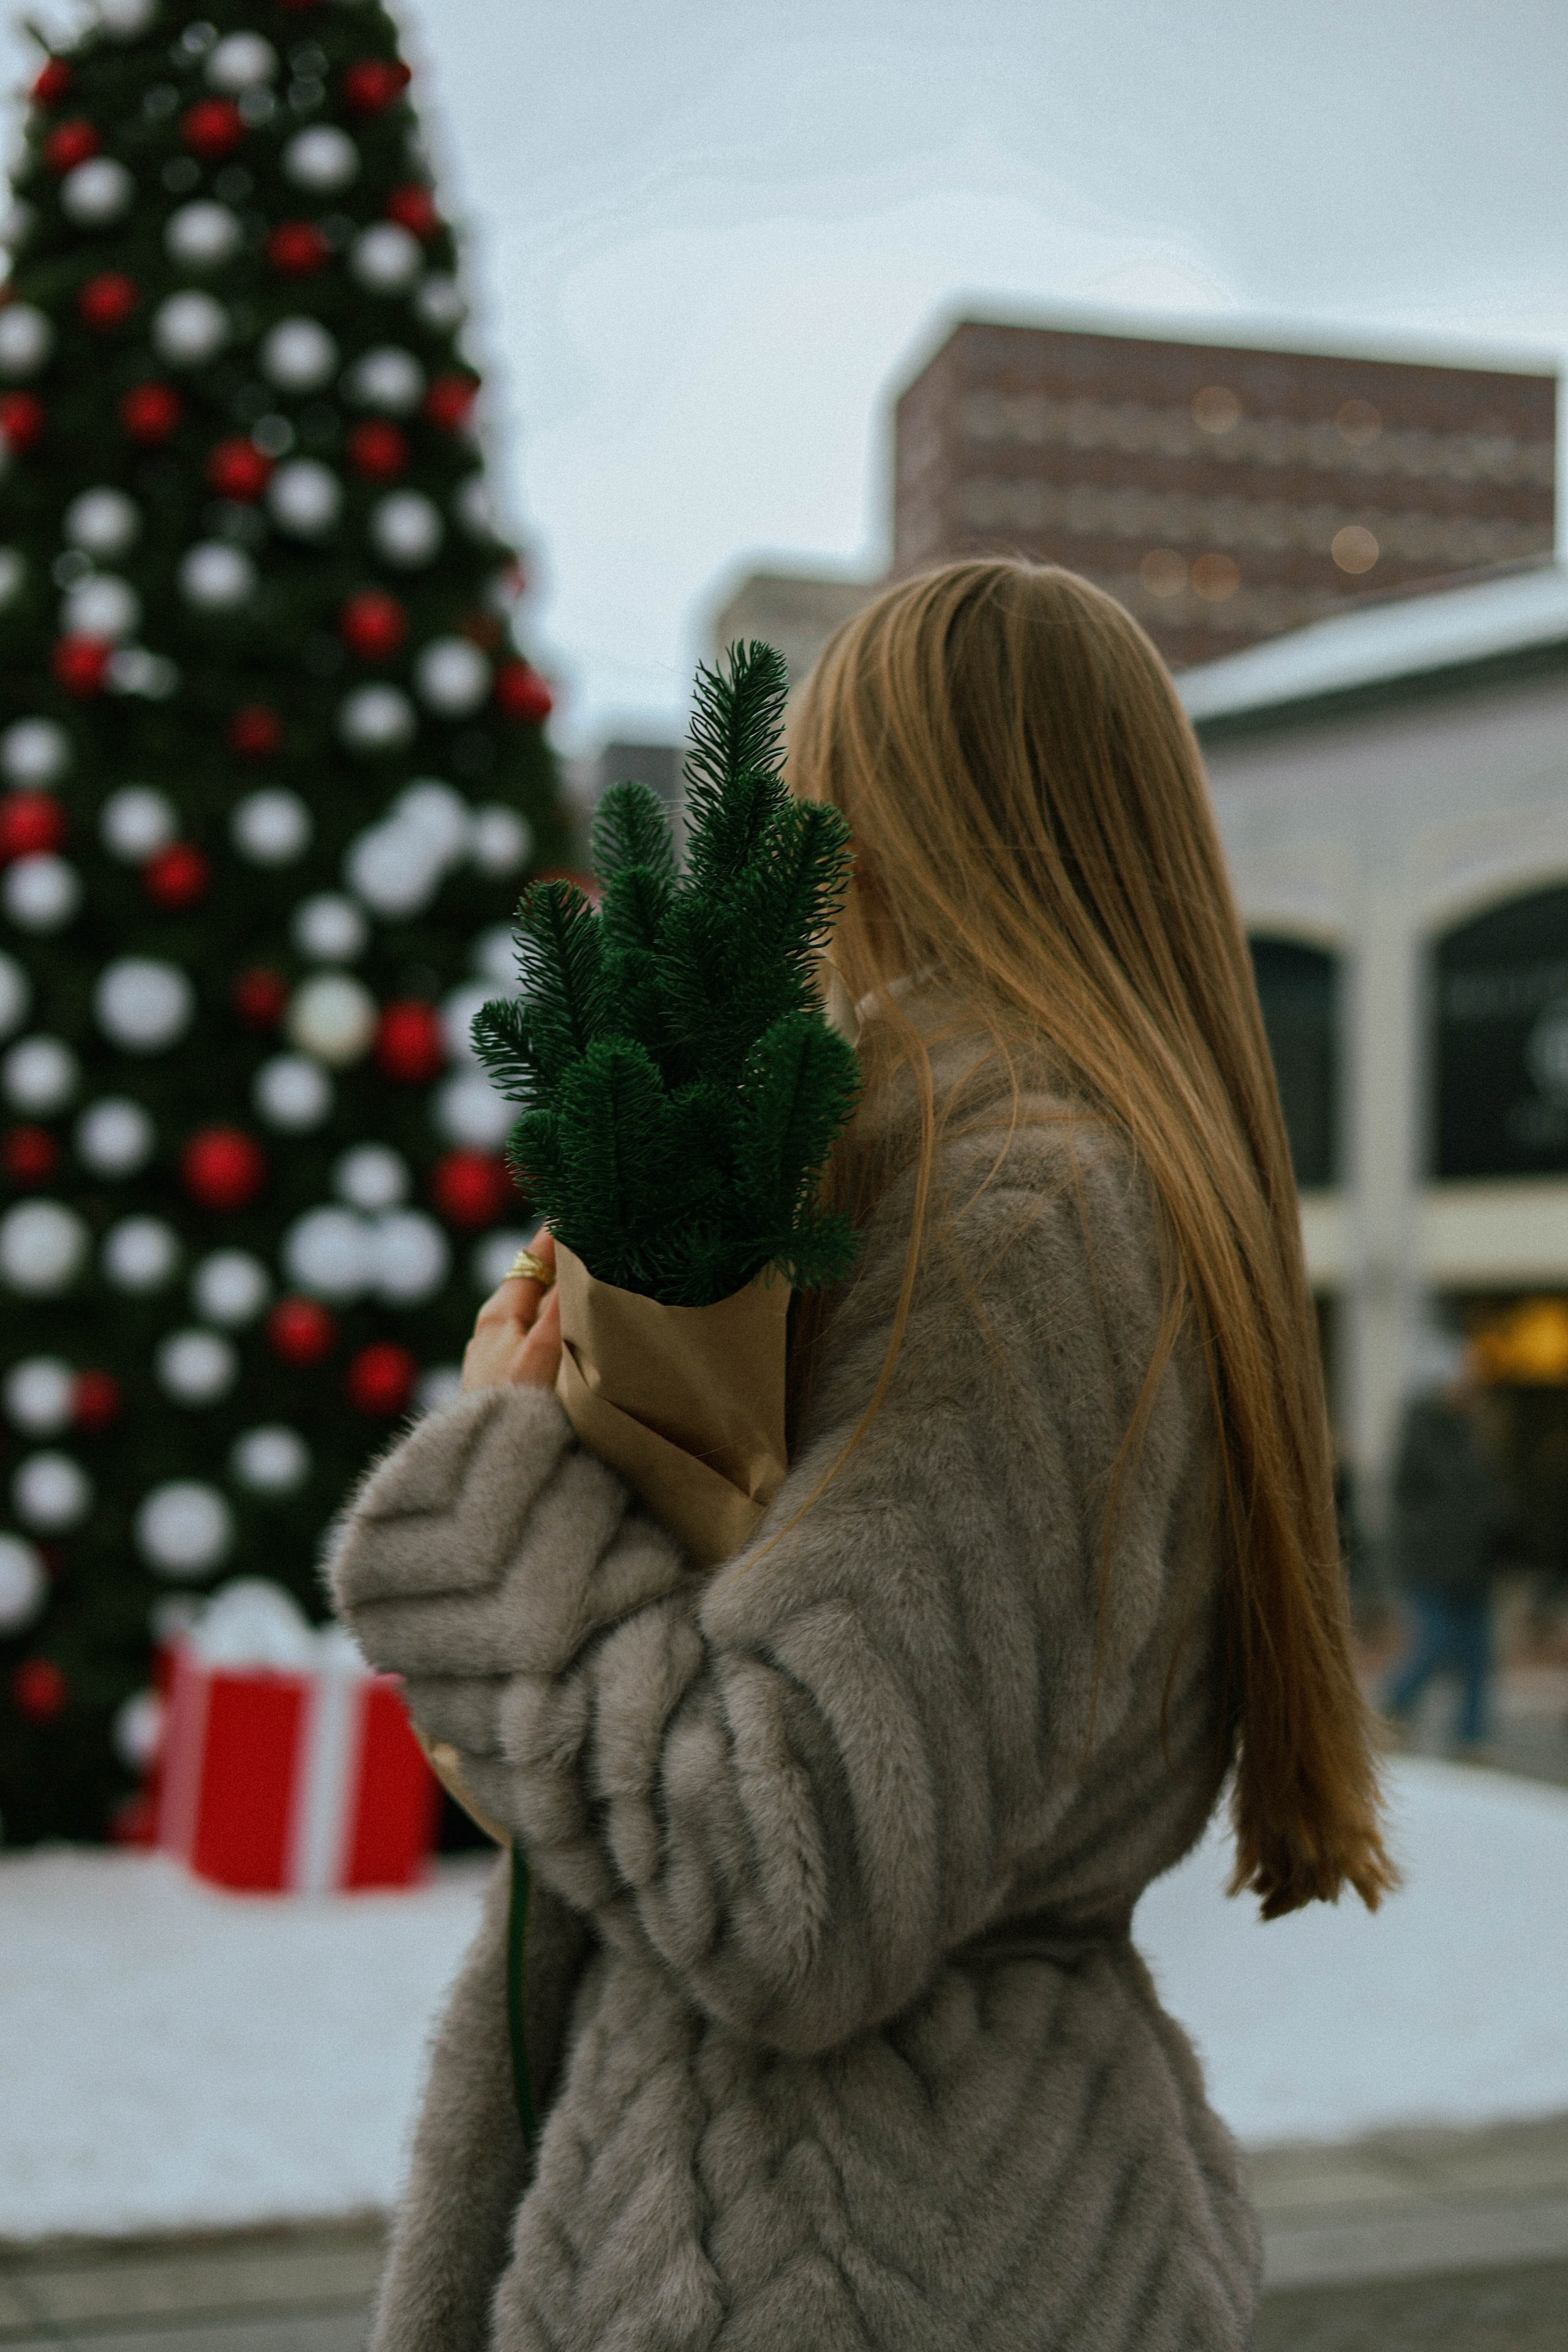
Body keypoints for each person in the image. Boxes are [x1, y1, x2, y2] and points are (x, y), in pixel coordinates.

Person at [330, 560, 1393, 2352]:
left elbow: (793, 1877)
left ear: (859, 802)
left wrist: (511, 1482)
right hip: (960, 2216)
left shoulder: (1019, 1209)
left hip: (843, 2246)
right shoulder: (1037, 1178)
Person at [1381, 1333, 1507, 1751]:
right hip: (1434, 1563)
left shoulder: (1470, 1429)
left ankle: (1472, 1737)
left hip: (1475, 1563)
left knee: (1478, 1654)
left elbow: (1482, 1489)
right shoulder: (1423, 1431)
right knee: (1435, 1643)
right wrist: (1436, 1535)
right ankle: (1391, 1706)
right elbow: (1406, 1498)